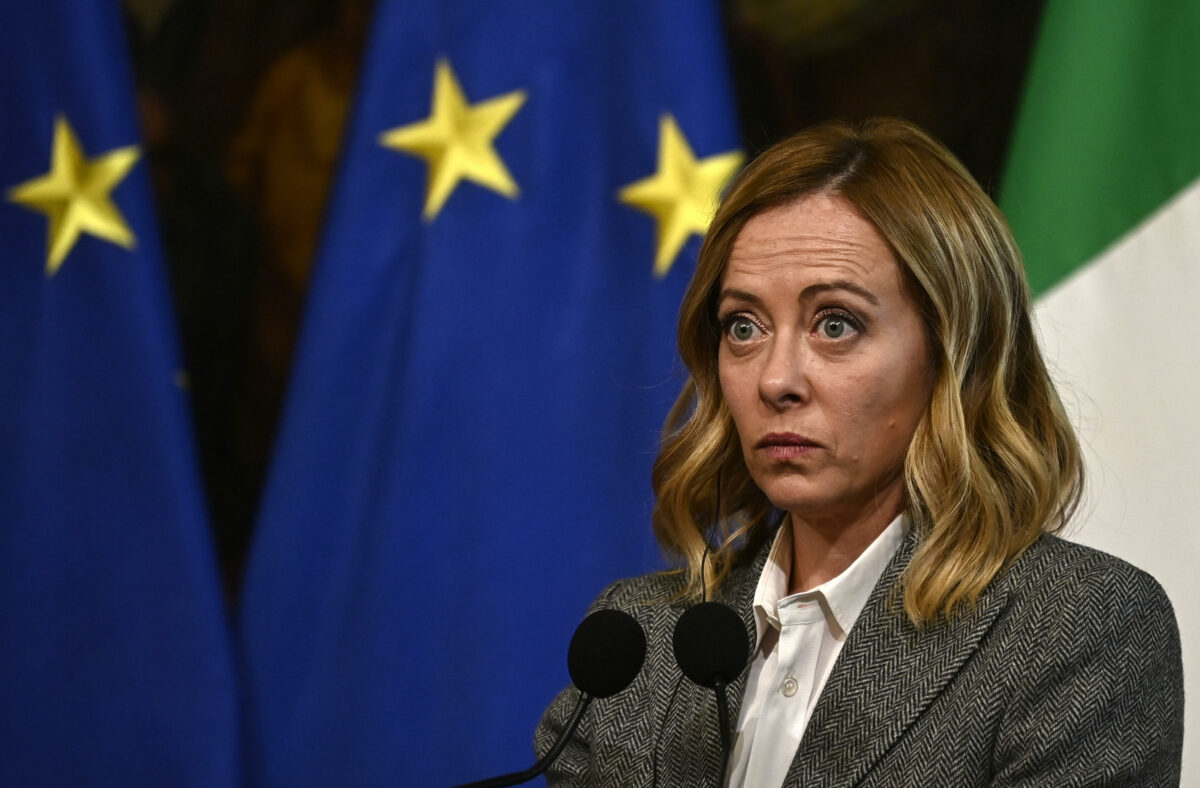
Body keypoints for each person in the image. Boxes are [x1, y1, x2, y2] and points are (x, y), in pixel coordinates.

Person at [535, 118, 1184, 786]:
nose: (775, 380)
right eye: (744, 327)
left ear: (953, 352)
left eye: (835, 324)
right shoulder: (637, 642)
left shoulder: (1073, 628)